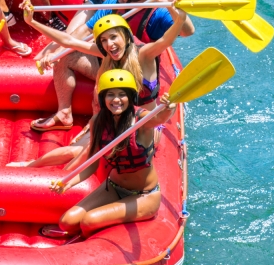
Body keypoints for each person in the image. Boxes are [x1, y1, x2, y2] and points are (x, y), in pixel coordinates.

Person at [25, 0, 193, 135]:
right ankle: (65, 113)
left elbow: (187, 31)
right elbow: (82, 33)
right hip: (113, 63)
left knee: (104, 84)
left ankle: (97, 124)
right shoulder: (115, 3)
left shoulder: (157, 15)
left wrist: (172, 3)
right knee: (68, 56)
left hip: (137, 77)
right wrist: (54, 50)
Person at [35, 70, 175, 240]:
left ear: (130, 97)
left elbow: (159, 118)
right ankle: (82, 229)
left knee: (88, 221)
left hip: (144, 196)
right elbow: (92, 163)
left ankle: (83, 239)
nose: (116, 100)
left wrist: (169, 108)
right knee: (67, 222)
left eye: (122, 94)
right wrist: (67, 183)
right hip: (113, 188)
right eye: (111, 94)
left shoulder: (141, 120)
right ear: (103, 98)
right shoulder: (98, 122)